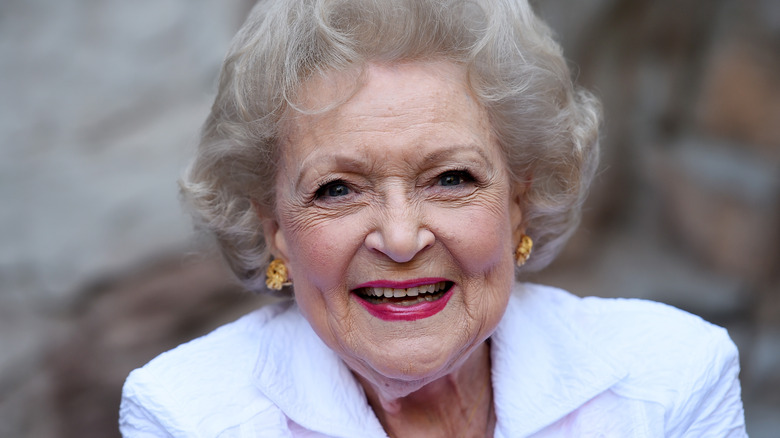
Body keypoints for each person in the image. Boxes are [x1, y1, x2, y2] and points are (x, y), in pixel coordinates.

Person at [119, 0, 747, 436]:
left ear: (519, 201)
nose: (399, 237)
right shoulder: (188, 415)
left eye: (452, 179)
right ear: (274, 228)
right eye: (337, 189)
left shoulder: (668, 378)